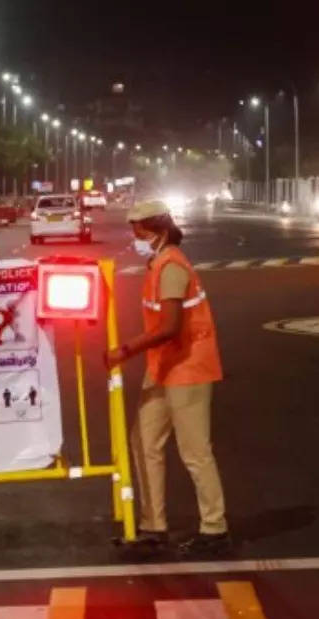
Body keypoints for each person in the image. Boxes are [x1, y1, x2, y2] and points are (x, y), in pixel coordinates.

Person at [104, 199, 230, 556]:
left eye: (137, 229)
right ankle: (153, 526)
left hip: (189, 366)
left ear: (154, 229)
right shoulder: (158, 262)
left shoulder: (172, 265)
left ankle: (215, 528)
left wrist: (124, 350)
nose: (134, 235)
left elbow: (171, 327)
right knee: (144, 442)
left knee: (194, 451)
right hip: (162, 367)